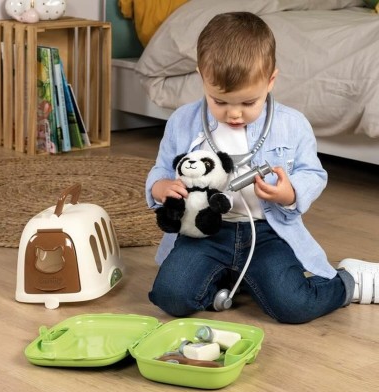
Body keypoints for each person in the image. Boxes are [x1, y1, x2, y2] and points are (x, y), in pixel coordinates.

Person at [145, 12, 378, 323]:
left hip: (267, 233)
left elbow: (313, 173)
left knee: (293, 305)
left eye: (248, 103)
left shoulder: (292, 125)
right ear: (202, 77)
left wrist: (289, 193)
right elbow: (162, 168)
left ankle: (348, 282)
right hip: (205, 233)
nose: (234, 114)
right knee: (170, 296)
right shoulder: (182, 122)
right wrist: (160, 188)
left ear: (270, 81)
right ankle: (233, 279)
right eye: (220, 101)